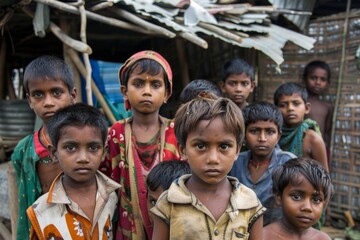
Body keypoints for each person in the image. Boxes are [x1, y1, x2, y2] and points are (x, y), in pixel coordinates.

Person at [151, 93, 266, 240]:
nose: (213, 159)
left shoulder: (249, 203)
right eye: (200, 146)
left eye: (224, 146)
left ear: (237, 150)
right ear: (182, 150)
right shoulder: (168, 203)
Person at [99, 50, 181, 240]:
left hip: (172, 228)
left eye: (156, 84)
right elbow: (104, 181)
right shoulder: (116, 133)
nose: (146, 91)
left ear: (167, 93)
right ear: (124, 91)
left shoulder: (176, 132)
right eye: (138, 83)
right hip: (128, 229)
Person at [26, 103, 120, 239]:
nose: (83, 158)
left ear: (104, 152)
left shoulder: (113, 197)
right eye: (71, 148)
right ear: (53, 153)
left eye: (93, 148)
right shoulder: (41, 211)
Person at [11, 55, 77, 240]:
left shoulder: (90, 141)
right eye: (38, 94)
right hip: (47, 231)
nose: (48, 102)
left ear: (72, 95)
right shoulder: (24, 151)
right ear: (30, 100)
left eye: (56, 92)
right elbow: (25, 201)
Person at [229, 101, 296, 226]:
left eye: (270, 132)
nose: (262, 138)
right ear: (243, 135)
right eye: (254, 131)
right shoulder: (234, 162)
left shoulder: (289, 163)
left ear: (278, 136)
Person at [263, 157, 334, 240]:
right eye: (296, 197)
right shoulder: (263, 236)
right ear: (279, 198)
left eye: (316, 200)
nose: (307, 207)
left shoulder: (322, 239)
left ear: (323, 204)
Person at [274, 82, 329, 172]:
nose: (290, 108)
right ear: (276, 110)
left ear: (307, 108)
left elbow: (324, 176)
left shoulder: (312, 138)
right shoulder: (273, 135)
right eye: (283, 105)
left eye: (296, 103)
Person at [303, 60, 333, 167]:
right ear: (305, 79)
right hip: (302, 147)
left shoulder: (327, 106)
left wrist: (326, 152)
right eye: (313, 78)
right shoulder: (300, 103)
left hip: (320, 148)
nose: (318, 82)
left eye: (323, 79)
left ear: (328, 83)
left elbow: (327, 132)